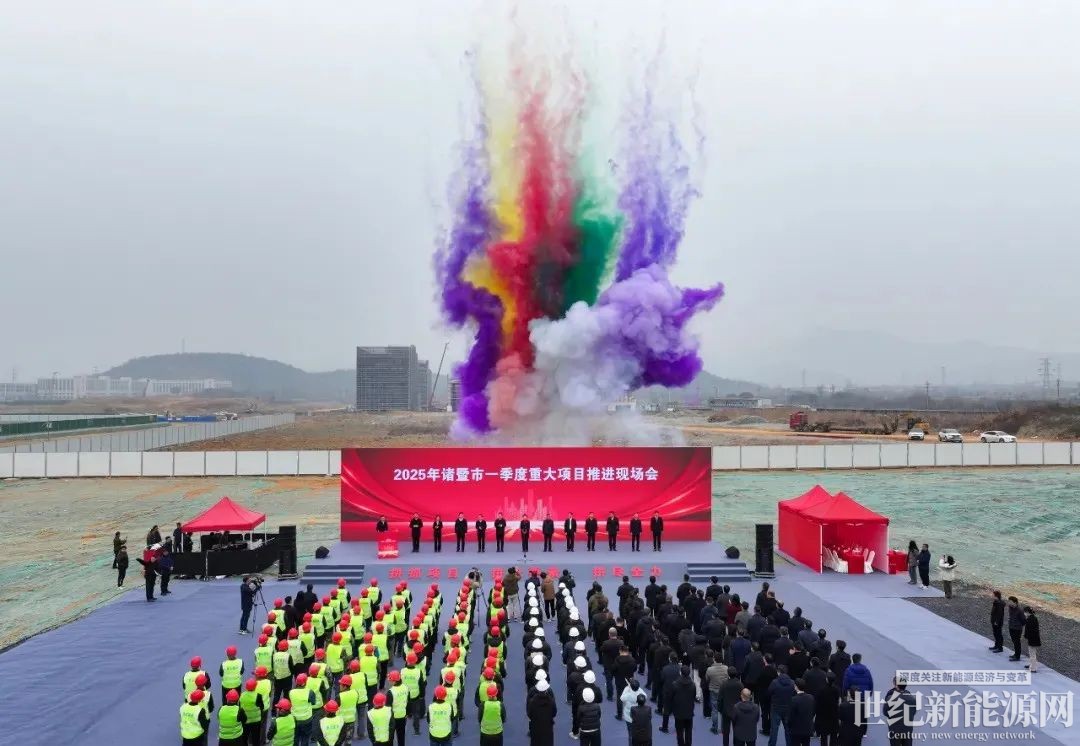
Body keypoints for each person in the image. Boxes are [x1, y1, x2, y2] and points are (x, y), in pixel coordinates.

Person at [767, 665, 796, 746]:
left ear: (778, 672)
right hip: (788, 709)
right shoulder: (792, 683)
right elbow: (794, 694)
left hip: (776, 708)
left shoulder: (774, 682)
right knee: (788, 730)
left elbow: (769, 693)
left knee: (774, 730)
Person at [668, 665, 697, 746]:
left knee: (679, 732)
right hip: (689, 711)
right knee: (688, 731)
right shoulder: (693, 685)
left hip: (678, 713)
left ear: (681, 673)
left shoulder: (675, 684)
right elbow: (693, 696)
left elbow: (671, 698)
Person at [884, 678, 916, 746]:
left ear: (896, 685)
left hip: (894, 727)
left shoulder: (890, 698)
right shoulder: (912, 698)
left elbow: (885, 712)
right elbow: (913, 712)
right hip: (908, 728)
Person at [527, 678, 557, 745]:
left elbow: (529, 714)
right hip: (547, 727)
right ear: (546, 690)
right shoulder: (551, 701)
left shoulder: (532, 701)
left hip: (535, 727)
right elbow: (554, 713)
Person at [787, 679, 816, 746]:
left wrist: (789, 725)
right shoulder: (811, 698)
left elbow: (790, 716)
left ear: (796, 687)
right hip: (807, 728)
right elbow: (813, 712)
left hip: (796, 730)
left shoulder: (793, 699)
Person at [1007, 596, 1026, 661]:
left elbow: (1023, 621)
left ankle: (1017, 656)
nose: (1009, 602)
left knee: (1017, 642)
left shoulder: (1020, 610)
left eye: (1010, 601)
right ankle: (1015, 654)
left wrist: (1018, 625)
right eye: (1009, 601)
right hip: (1011, 627)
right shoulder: (1010, 608)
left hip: (1017, 629)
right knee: (1014, 642)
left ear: (1015, 602)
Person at [1023, 606, 1041, 672]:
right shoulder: (1033, 618)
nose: (1024, 613)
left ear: (1027, 612)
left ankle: (1033, 668)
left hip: (1032, 639)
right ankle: (1032, 664)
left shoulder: (1030, 619)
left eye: (1025, 612)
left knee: (1032, 654)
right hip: (1034, 638)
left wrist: (1026, 636)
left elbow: (1029, 630)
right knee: (1033, 653)